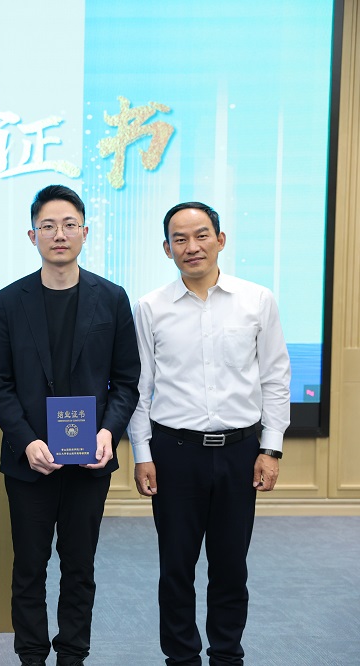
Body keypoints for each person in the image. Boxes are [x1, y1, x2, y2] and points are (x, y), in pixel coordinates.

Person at [128, 202, 290, 666]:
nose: (191, 246)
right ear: (167, 249)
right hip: (174, 453)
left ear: (220, 240)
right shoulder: (150, 307)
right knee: (175, 569)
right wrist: (142, 453)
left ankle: (227, 656)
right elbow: (140, 388)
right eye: (179, 239)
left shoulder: (257, 300)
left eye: (201, 235)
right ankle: (181, 659)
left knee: (230, 568)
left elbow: (275, 378)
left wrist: (271, 448)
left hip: (241, 452)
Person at [0, 185, 140, 666]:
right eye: (48, 226)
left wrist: (107, 432)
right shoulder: (9, 301)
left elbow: (127, 382)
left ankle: (73, 654)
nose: (59, 234)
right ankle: (31, 656)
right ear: (32, 235)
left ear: (85, 233)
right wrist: (26, 441)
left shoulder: (111, 298)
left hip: (89, 461)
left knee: (79, 566)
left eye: (69, 225)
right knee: (29, 567)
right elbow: (0, 384)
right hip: (29, 462)